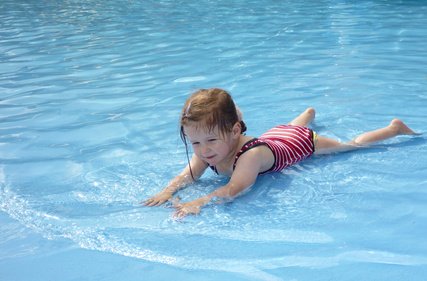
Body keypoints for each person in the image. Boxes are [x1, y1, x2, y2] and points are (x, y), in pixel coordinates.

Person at [143, 88, 418, 218]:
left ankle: (392, 129)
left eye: (211, 140)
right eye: (195, 143)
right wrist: (168, 191)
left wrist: (199, 202)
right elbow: (188, 174)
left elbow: (236, 188)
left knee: (351, 146)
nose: (204, 150)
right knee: (284, 129)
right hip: (276, 135)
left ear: (236, 130)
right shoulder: (209, 149)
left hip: (299, 142)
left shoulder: (250, 156)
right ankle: (306, 114)